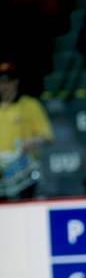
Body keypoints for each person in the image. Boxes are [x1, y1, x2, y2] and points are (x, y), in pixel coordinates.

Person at [0, 61, 53, 200]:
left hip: (23, 168)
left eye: (9, 81)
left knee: (25, 200)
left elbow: (47, 136)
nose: (5, 86)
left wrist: (32, 141)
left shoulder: (30, 105)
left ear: (16, 82)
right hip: (1, 169)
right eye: (2, 82)